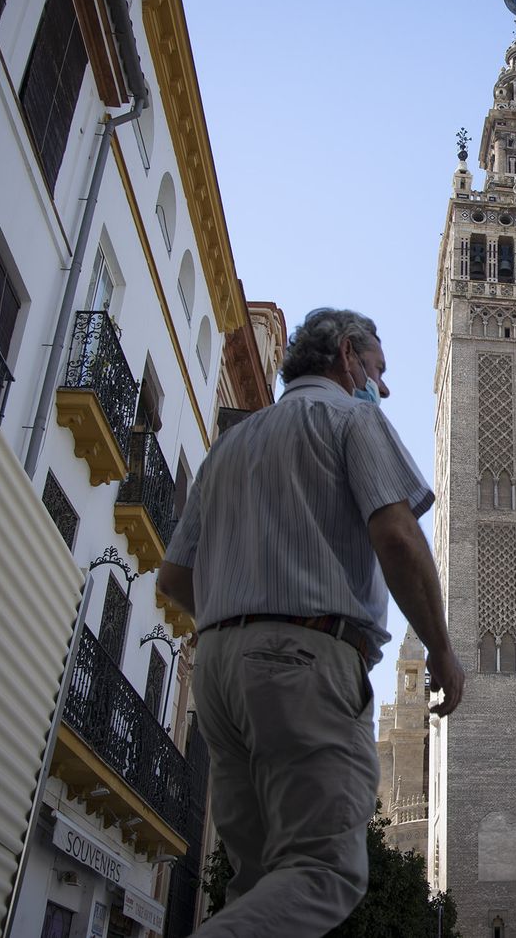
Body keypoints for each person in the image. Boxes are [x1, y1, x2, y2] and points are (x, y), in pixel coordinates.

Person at [159, 308, 464, 936]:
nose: (383, 387)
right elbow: (398, 536)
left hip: (217, 669)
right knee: (326, 872)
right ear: (347, 355)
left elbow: (173, 578)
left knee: (259, 881)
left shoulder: (230, 446)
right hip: (305, 659)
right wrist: (441, 648)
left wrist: (239, 623)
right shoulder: (351, 418)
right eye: (377, 368)